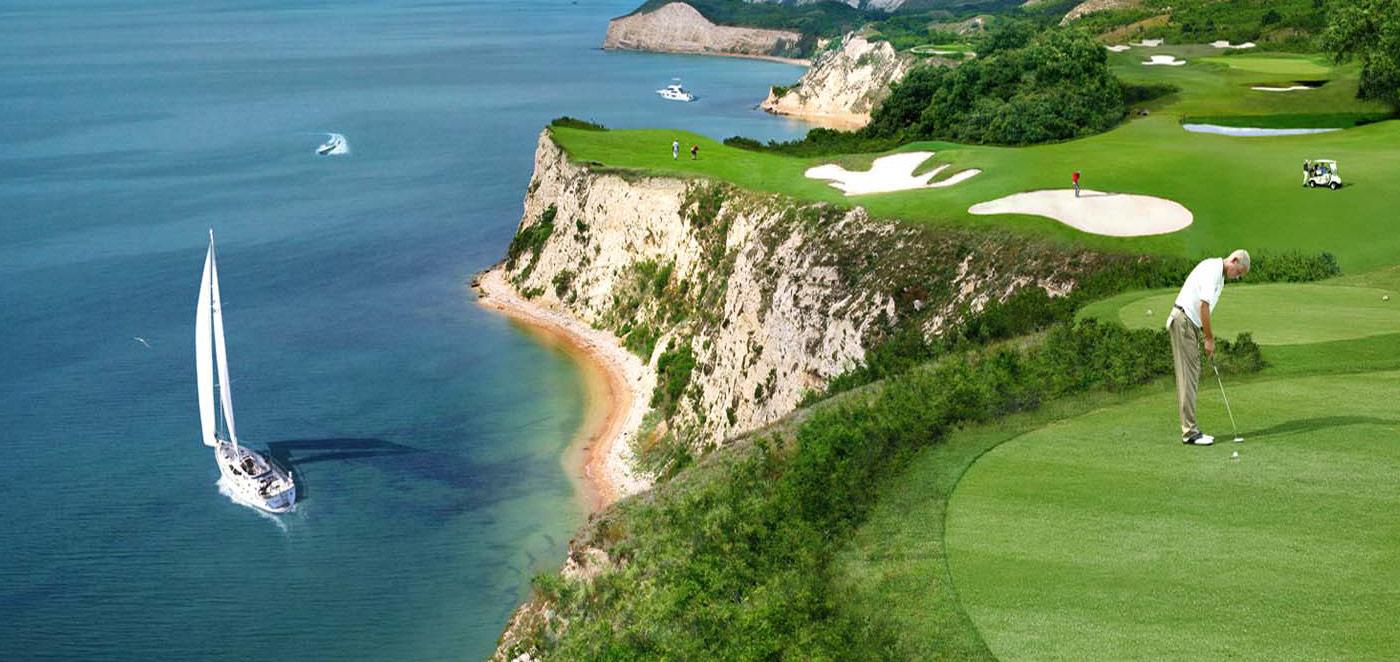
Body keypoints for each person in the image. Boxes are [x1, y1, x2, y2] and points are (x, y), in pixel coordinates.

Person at [1167, 250, 1251, 446]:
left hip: (1189, 325)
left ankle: (1191, 430)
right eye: (1238, 272)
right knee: (1188, 375)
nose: (1237, 277)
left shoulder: (1218, 274)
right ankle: (1190, 433)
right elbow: (1203, 306)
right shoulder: (1213, 270)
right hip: (1184, 321)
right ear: (1234, 260)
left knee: (1192, 374)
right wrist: (1209, 338)